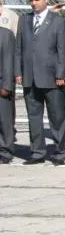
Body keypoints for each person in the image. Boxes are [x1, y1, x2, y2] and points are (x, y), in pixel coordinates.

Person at [16, 0, 65, 165]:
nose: (34, 3)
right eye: (31, 0)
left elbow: (62, 50)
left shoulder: (58, 21)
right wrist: (18, 72)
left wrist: (60, 74)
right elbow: (19, 49)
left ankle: (60, 152)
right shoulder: (24, 20)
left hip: (52, 77)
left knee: (56, 117)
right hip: (29, 77)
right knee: (34, 117)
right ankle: (37, 152)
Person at [0, 17, 14, 164]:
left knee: (4, 120)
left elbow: (8, 60)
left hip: (1, 84)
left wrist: (6, 85)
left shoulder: (6, 34)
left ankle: (5, 151)